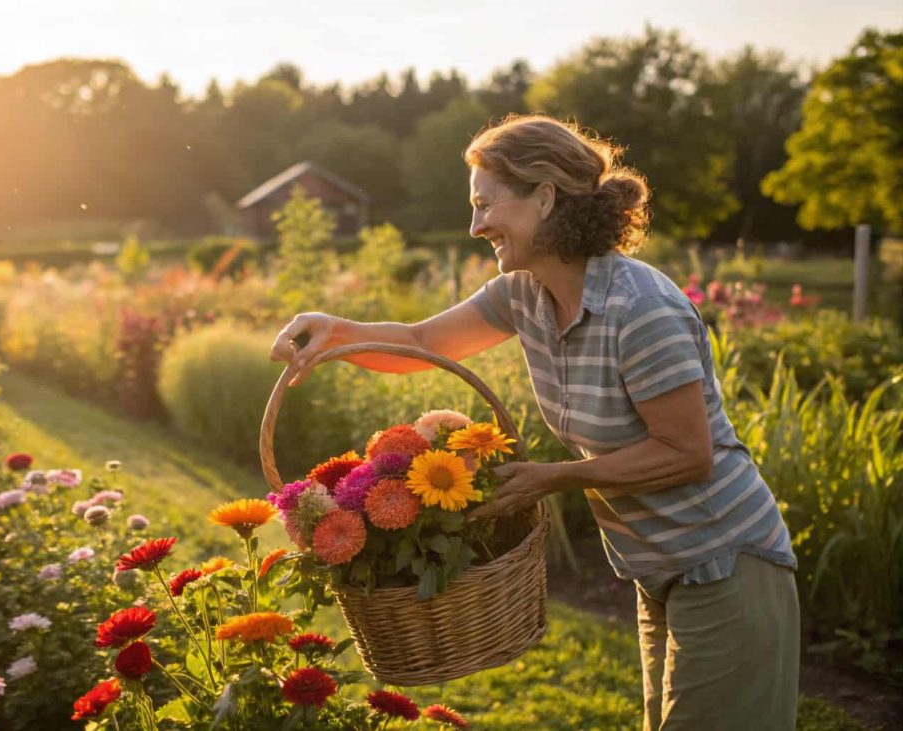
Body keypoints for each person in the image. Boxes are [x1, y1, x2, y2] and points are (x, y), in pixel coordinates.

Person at [269, 113, 799, 731]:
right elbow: (419, 341)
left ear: (544, 197)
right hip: (657, 569)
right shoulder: (524, 293)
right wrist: (333, 331)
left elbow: (687, 454)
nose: (475, 225)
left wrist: (553, 476)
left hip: (725, 560)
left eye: (486, 204)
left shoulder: (640, 309)